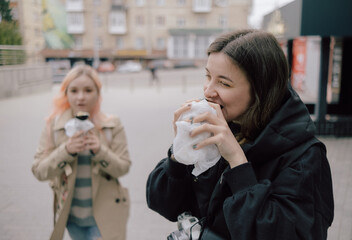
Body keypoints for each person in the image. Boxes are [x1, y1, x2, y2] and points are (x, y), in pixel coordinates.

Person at [146, 29, 334, 239]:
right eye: (208, 76)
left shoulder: (305, 156)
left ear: (261, 90)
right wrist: (179, 154)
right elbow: (164, 205)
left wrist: (237, 162)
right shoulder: (218, 128)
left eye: (224, 83)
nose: (208, 90)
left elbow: (290, 233)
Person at [32, 65, 131, 240]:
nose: (81, 97)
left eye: (88, 90)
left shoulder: (111, 124)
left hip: (105, 216)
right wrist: (66, 151)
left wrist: (100, 151)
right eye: (74, 90)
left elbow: (123, 168)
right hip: (71, 218)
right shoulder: (54, 126)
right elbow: (39, 171)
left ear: (98, 93)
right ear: (66, 93)